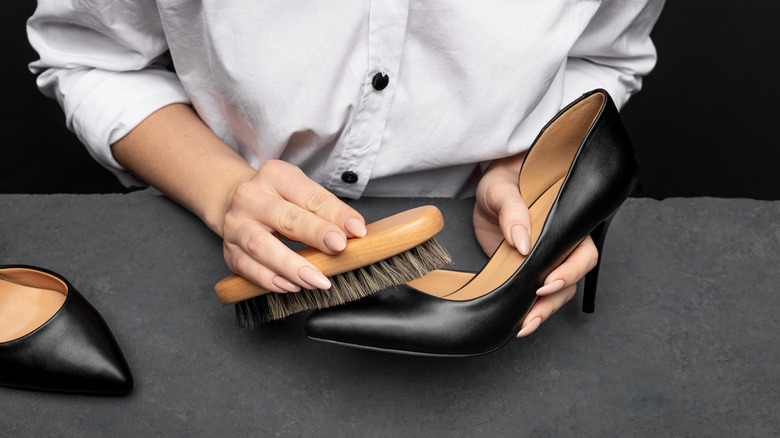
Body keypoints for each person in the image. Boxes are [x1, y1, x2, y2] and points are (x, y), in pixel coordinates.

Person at [26, 1, 664, 338]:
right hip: (210, 228)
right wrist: (224, 191)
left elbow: (603, 57)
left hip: (473, 242)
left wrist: (527, 169)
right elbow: (91, 59)